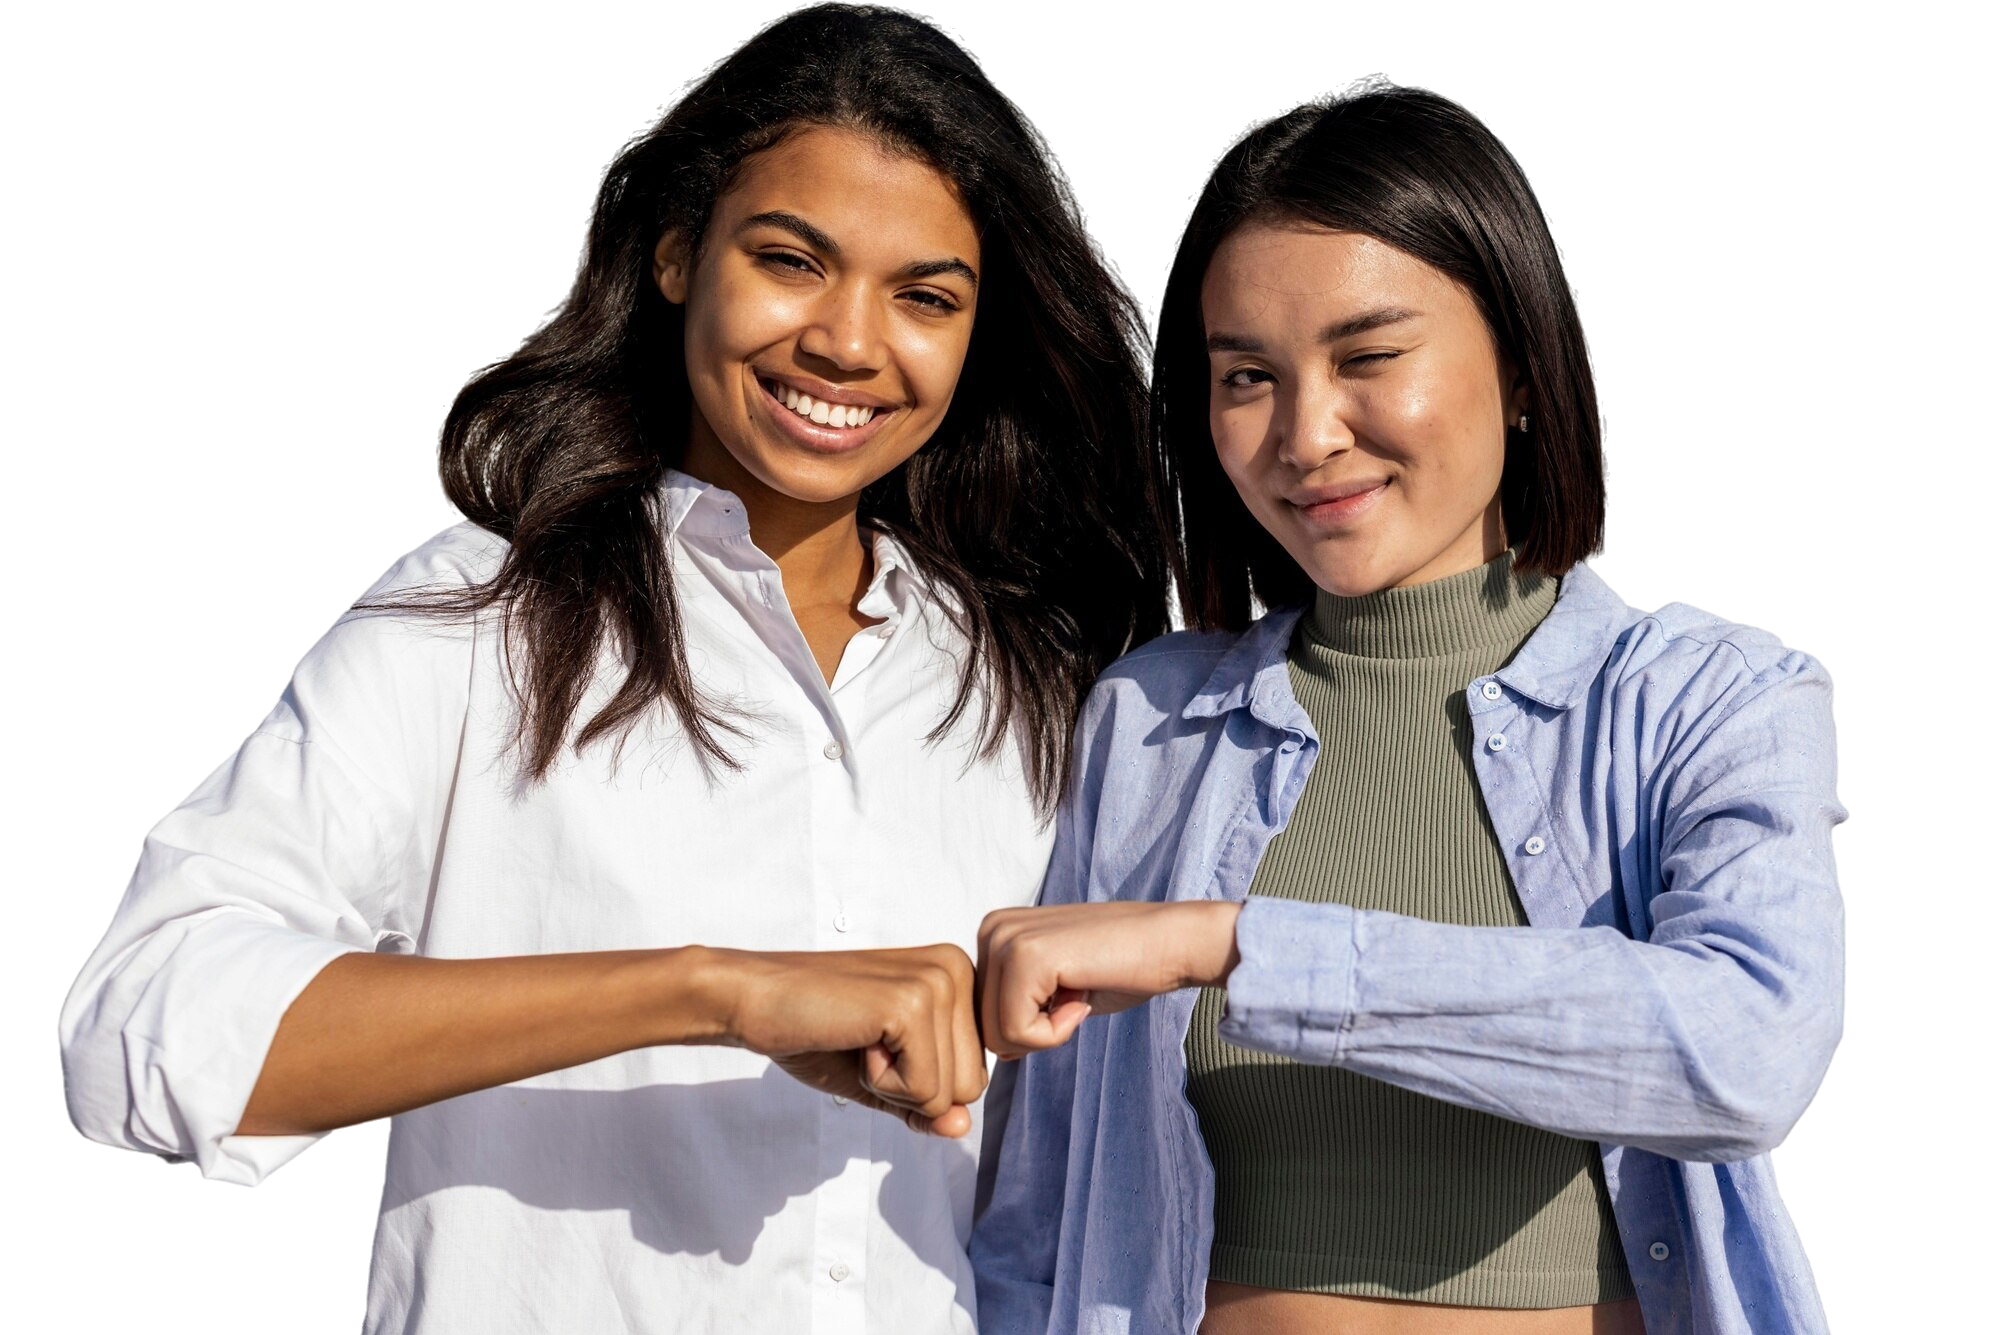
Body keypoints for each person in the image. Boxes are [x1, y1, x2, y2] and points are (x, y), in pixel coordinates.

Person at [54, 6, 1163, 1333]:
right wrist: (709, 990)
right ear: (678, 253)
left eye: (925, 295)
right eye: (790, 260)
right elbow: (135, 1033)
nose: (851, 343)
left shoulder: (1032, 686)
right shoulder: (475, 617)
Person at [971, 90, 1853, 1335]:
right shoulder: (1151, 722)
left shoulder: (1710, 696)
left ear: (1522, 368)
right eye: (1244, 378)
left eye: (1368, 357)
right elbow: (1038, 1211)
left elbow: (1747, 1049)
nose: (1304, 433)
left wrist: (1233, 946)